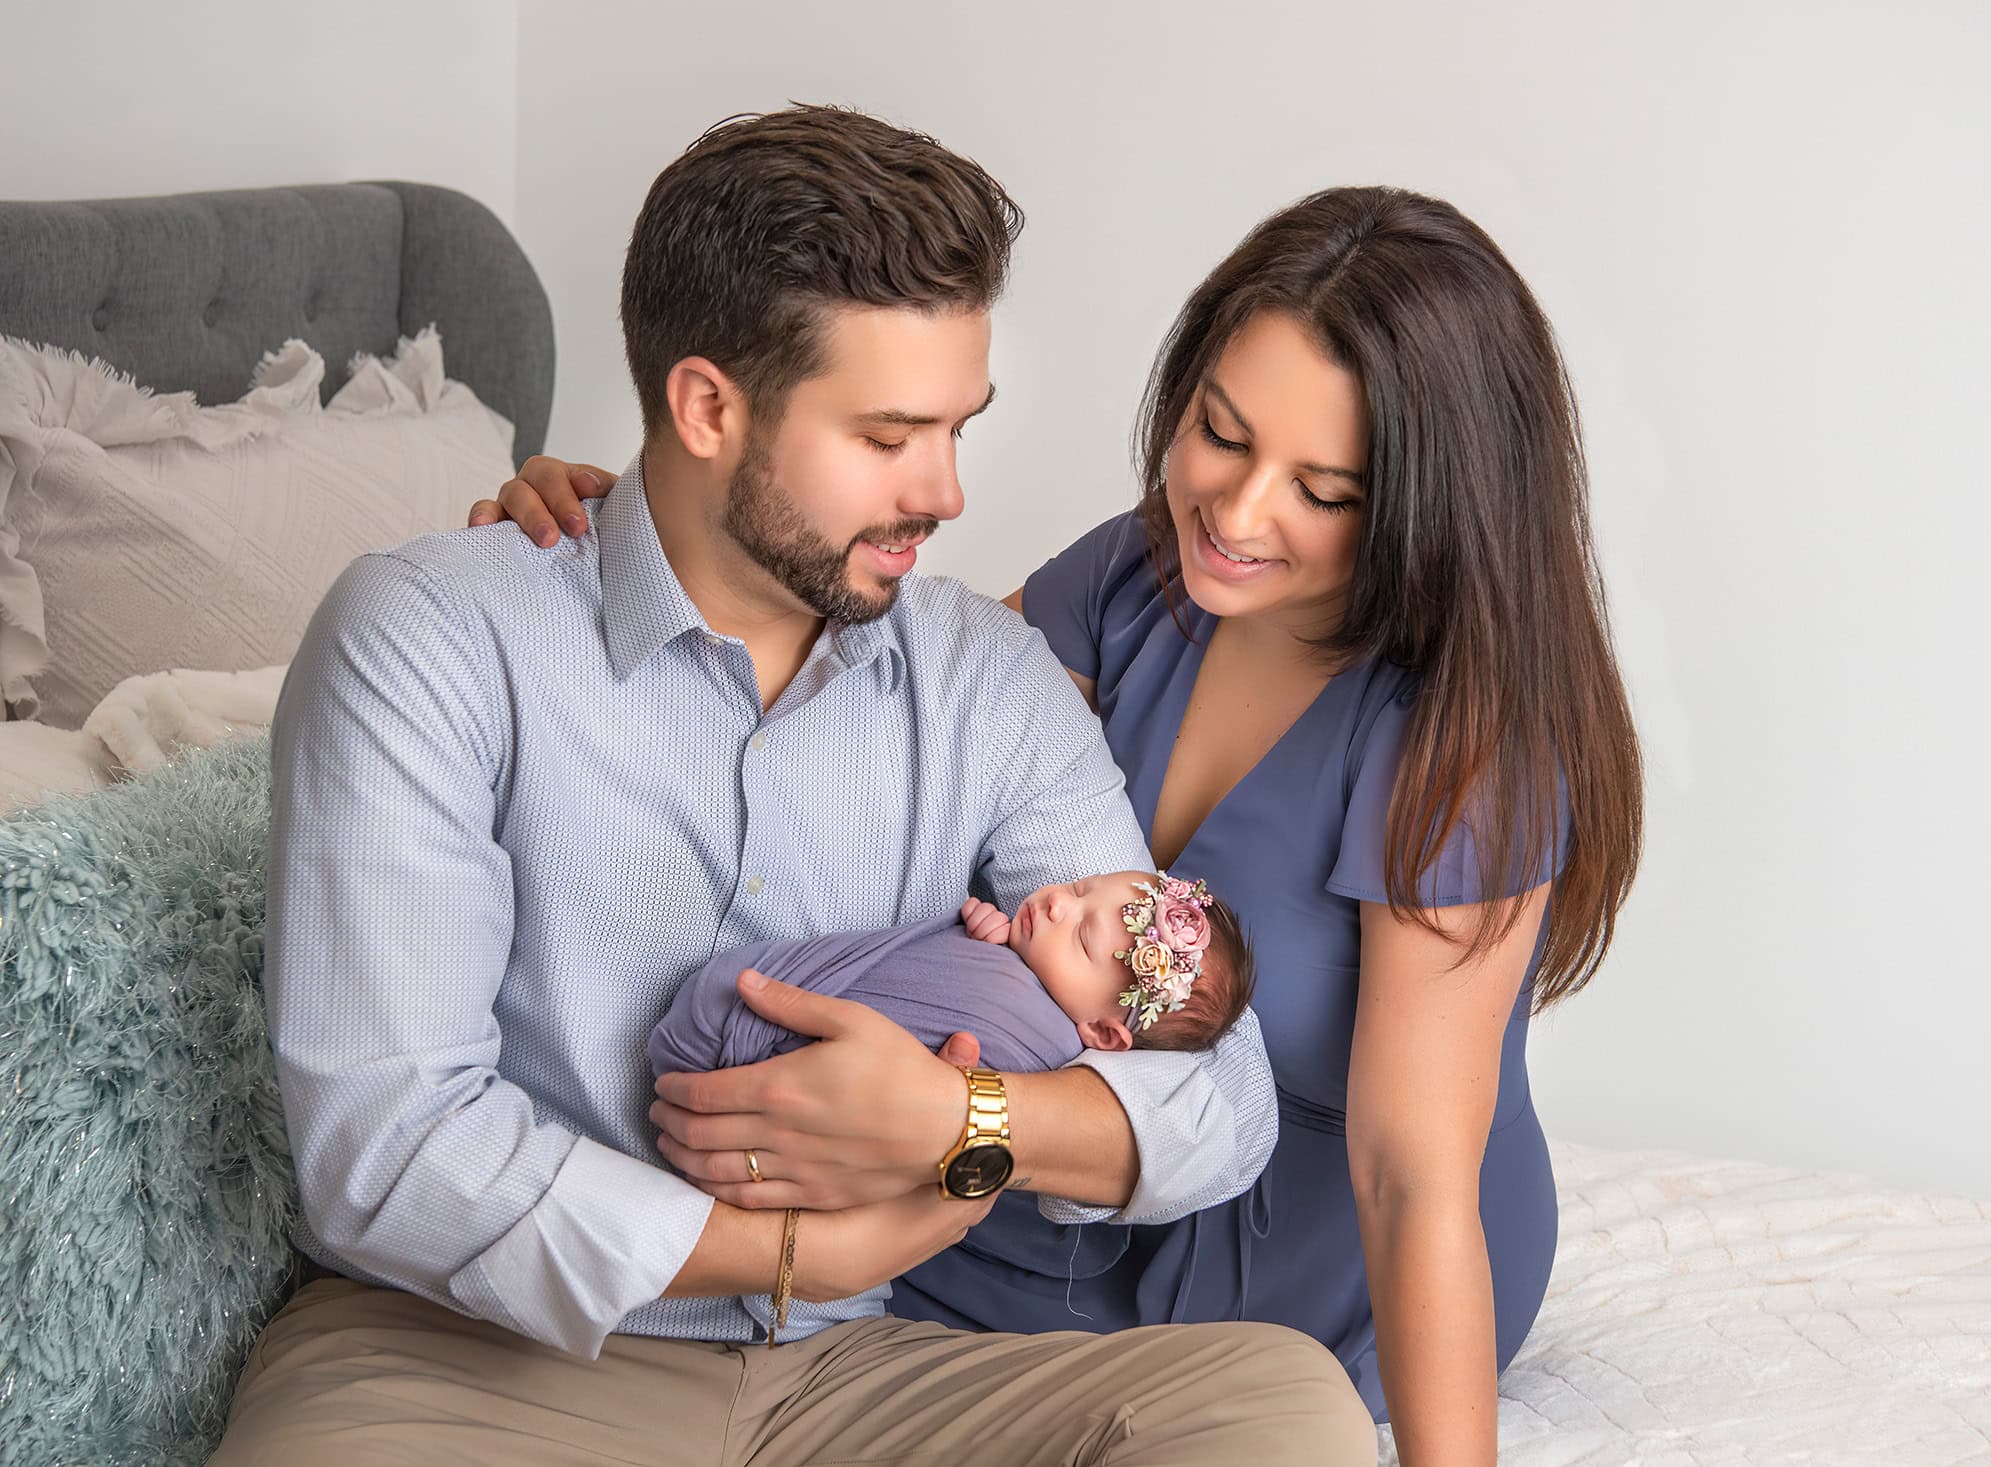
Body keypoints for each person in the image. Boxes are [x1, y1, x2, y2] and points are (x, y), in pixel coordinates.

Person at [213, 106, 1379, 1466]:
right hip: (467, 1361)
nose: (946, 490)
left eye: (958, 426)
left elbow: (1219, 1094)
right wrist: (784, 1248)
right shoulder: (431, 637)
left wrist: (967, 1124)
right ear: (709, 405)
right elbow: (387, 1139)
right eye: (890, 436)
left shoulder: (988, 677)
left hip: (854, 1372)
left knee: (1276, 1410)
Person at [478, 181, 1646, 1466]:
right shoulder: (1134, 576)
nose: (1237, 513)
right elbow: (878, 686)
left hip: (1320, 1264)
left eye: (1322, 491)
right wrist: (647, 531)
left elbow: (1409, 1175)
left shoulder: (1460, 741)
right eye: (1217, 431)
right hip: (1035, 1199)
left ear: (1426, 511)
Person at [652, 870, 1252, 1332]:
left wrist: (965, 1105)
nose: (1058, 903)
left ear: (1102, 1035)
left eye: (1083, 937)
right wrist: (994, 945)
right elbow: (938, 968)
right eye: (1078, 887)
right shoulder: (1039, 966)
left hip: (740, 1060)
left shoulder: (1041, 1051)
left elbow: (1230, 1123)